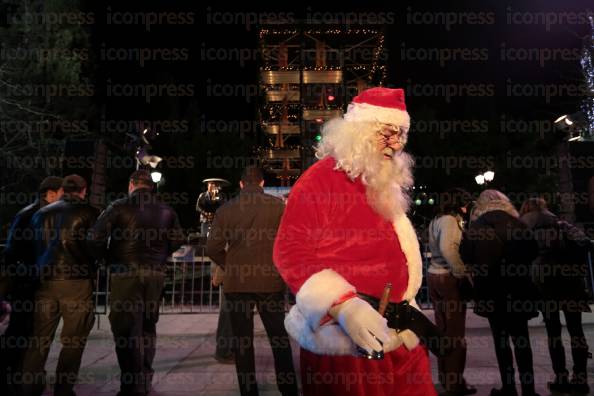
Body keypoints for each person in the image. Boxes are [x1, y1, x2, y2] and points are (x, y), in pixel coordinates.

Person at [273, 87, 436, 395]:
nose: (394, 143)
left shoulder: (382, 183)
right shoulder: (319, 180)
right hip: (346, 343)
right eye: (384, 133)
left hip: (401, 333)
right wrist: (342, 306)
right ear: (356, 132)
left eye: (400, 134)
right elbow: (290, 251)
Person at [88, 169, 184, 396]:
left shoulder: (118, 207)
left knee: (124, 330)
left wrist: (106, 258)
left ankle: (131, 385)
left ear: (132, 184)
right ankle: (145, 379)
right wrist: (161, 255)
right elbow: (178, 238)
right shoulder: (166, 209)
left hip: (126, 274)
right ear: (150, 186)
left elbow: (94, 236)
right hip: (155, 275)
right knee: (148, 327)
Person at [206, 166, 298, 396]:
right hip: (270, 282)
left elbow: (212, 248)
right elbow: (291, 242)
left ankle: (249, 391)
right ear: (262, 183)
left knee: (242, 342)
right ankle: (288, 390)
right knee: (279, 339)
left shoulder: (226, 210)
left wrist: (231, 266)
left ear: (240, 184)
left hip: (237, 284)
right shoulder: (278, 207)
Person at [21, 175, 99, 396]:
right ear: (83, 191)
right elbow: (97, 244)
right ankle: (63, 389)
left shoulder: (40, 214)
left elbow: (32, 246)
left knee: (39, 338)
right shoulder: (90, 213)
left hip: (45, 281)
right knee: (73, 340)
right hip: (76, 281)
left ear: (63, 190)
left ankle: (29, 387)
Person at [460, 190, 540, 396]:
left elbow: (465, 255)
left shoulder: (476, 227)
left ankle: (509, 387)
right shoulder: (518, 224)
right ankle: (529, 389)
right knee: (522, 341)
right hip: (518, 290)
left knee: (501, 341)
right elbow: (533, 252)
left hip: (491, 292)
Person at [520, 198, 591, 394]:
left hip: (544, 283)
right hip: (569, 280)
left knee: (553, 332)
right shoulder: (559, 223)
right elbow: (584, 242)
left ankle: (561, 377)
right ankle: (580, 378)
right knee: (576, 330)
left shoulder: (523, 228)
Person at [1, 176, 63, 396]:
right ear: (51, 193)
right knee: (20, 330)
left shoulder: (37, 213)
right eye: (62, 193)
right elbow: (12, 250)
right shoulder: (31, 215)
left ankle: (20, 375)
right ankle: (11, 376)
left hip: (30, 279)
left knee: (27, 330)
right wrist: (27, 273)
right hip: (25, 282)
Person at [427, 188, 476, 396]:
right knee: (456, 334)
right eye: (464, 203)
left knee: (443, 331)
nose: (466, 208)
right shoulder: (449, 220)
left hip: (433, 275)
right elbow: (449, 249)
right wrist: (462, 273)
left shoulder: (435, 220)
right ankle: (456, 384)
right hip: (447, 278)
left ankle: (446, 378)